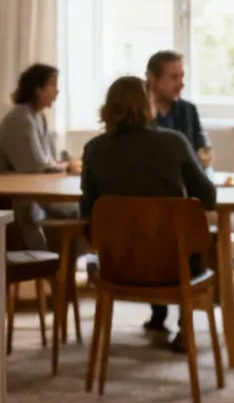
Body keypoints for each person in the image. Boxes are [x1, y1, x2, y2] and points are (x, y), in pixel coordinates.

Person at [80, 75, 218, 349]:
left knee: (148, 235)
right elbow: (208, 197)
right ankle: (184, 326)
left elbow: (88, 215)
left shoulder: (93, 150)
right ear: (148, 105)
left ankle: (158, 318)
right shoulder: (174, 143)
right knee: (179, 239)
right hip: (173, 266)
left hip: (117, 266)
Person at [0, 64, 79, 248]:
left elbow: (49, 160)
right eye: (52, 85)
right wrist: (66, 167)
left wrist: (65, 164)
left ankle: (61, 266)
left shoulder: (37, 117)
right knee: (75, 211)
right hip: (13, 196)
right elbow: (34, 166)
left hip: (28, 192)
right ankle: (56, 266)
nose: (57, 91)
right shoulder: (21, 118)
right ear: (38, 89)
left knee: (78, 211)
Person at [147, 50, 210, 168]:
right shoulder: (137, 111)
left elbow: (201, 150)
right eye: (174, 77)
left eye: (182, 77)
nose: (181, 84)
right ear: (153, 78)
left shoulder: (189, 110)